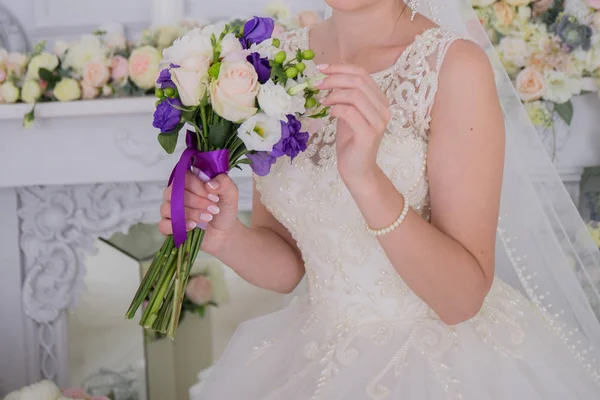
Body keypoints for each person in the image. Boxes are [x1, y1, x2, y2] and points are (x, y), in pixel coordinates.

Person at [160, 0, 600, 398]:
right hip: (313, 351)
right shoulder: (275, 62)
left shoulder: (453, 66)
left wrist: (366, 178)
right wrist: (226, 235)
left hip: (442, 365)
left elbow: (461, 300)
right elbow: (289, 266)